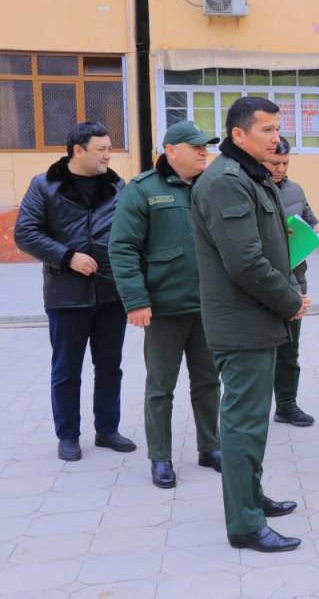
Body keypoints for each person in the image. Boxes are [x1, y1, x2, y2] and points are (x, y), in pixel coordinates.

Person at [191, 97, 309, 553]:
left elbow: (272, 246)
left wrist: (288, 293)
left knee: (254, 422)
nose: (276, 138)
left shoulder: (250, 175)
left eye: (277, 129)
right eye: (267, 130)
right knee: (242, 424)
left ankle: (251, 497)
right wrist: (289, 300)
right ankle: (243, 524)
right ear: (238, 135)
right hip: (242, 322)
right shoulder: (226, 181)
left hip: (258, 316)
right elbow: (245, 262)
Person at [108, 121, 223, 489]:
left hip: (208, 306)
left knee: (208, 382)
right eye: (196, 146)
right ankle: (160, 457)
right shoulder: (143, 190)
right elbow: (123, 248)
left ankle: (211, 447)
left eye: (206, 146)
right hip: (163, 309)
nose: (204, 152)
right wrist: (136, 301)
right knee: (160, 387)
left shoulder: (213, 186)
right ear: (171, 150)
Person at [14, 121, 136, 462]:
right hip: (66, 294)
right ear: (78, 150)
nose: (108, 156)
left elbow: (131, 231)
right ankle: (68, 435)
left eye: (110, 149)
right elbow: (25, 233)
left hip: (111, 292)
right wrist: (68, 257)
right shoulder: (45, 185)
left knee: (110, 366)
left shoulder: (117, 186)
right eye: (101, 149)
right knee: (67, 369)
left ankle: (107, 429)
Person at [264, 137, 319, 427]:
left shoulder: (295, 190)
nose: (280, 169)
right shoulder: (250, 189)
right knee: (260, 351)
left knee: (290, 349)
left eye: (285, 163)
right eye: (274, 163)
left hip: (295, 279)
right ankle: (254, 409)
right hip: (261, 280)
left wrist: (317, 227)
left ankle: (287, 405)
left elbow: (310, 218)